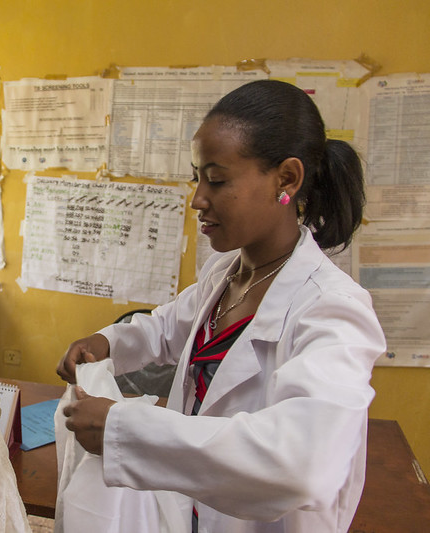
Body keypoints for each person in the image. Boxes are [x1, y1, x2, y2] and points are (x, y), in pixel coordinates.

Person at [57, 79, 386, 532]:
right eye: (198, 177)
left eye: (217, 179)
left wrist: (124, 429)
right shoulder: (227, 271)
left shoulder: (333, 310)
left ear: (286, 179)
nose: (198, 199)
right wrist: (108, 341)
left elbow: (300, 463)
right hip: (189, 513)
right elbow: (169, 327)